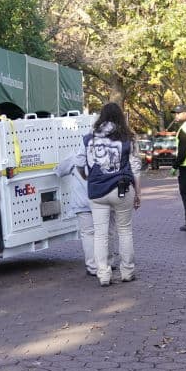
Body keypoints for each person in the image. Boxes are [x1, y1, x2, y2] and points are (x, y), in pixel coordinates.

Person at [78, 103, 142, 286]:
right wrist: (137, 193)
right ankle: (127, 272)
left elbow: (79, 163)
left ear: (101, 117)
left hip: (97, 191)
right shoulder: (128, 138)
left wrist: (88, 177)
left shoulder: (89, 138)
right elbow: (135, 168)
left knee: (100, 234)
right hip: (121, 189)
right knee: (125, 231)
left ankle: (104, 274)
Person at [56, 154, 119, 276]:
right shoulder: (111, 152)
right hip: (107, 199)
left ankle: (93, 267)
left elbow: (59, 171)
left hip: (84, 201)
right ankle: (108, 262)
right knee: (108, 231)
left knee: (89, 234)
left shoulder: (75, 157)